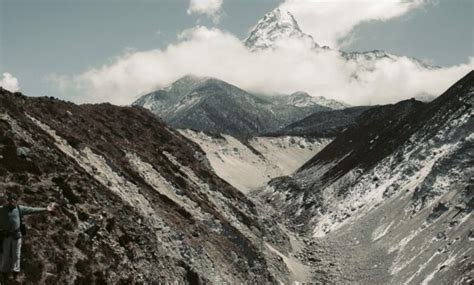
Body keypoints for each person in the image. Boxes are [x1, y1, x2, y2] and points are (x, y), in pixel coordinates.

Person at [0, 192, 55, 279]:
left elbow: (32, 210)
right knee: (5, 254)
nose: (11, 202)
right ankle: (4, 271)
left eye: (13, 200)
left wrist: (45, 209)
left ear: (16, 201)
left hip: (17, 235)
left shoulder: (19, 208)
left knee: (16, 254)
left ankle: (15, 271)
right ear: (7, 201)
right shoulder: (2, 209)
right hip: (6, 235)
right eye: (9, 200)